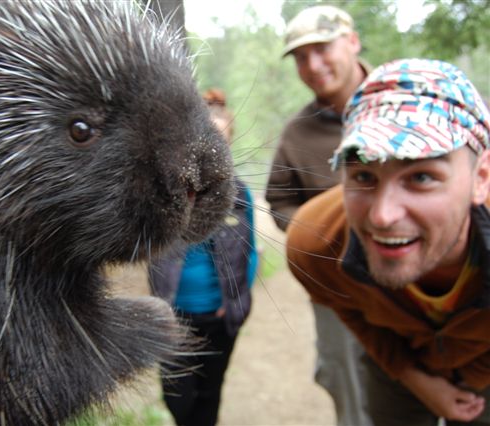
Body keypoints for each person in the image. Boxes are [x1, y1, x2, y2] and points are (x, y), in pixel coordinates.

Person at [287, 58, 490, 426]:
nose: (382, 216)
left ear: (481, 178)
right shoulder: (315, 245)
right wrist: (413, 378)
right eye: (363, 175)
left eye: (422, 177)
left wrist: (470, 379)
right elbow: (349, 309)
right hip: (397, 356)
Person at [264, 5, 372, 425]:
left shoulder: (405, 99)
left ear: (352, 41)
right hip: (339, 288)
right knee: (347, 383)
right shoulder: (298, 133)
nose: (312, 65)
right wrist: (320, 233)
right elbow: (279, 200)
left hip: (421, 280)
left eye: (321, 49)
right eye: (300, 57)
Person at [149, 88, 258, 426]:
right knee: (177, 398)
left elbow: (249, 250)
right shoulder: (163, 190)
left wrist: (236, 297)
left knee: (209, 394)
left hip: (219, 314)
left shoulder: (240, 195)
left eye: (220, 144)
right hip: (173, 315)